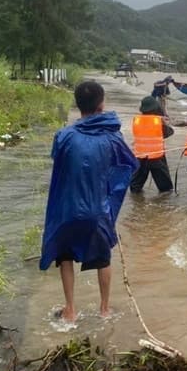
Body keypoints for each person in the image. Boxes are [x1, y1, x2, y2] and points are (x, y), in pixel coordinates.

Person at [40, 81, 139, 322]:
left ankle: (70, 310)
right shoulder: (113, 137)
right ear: (101, 103)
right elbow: (129, 166)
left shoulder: (63, 136)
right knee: (103, 257)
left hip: (67, 209)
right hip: (97, 209)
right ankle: (104, 309)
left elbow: (59, 160)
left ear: (77, 104)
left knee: (65, 257)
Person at [130, 96, 174, 194]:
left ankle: (137, 203)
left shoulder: (136, 120)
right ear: (155, 108)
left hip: (140, 157)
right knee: (165, 189)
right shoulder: (158, 121)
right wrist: (164, 122)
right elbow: (169, 132)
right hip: (156, 157)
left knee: (135, 187)